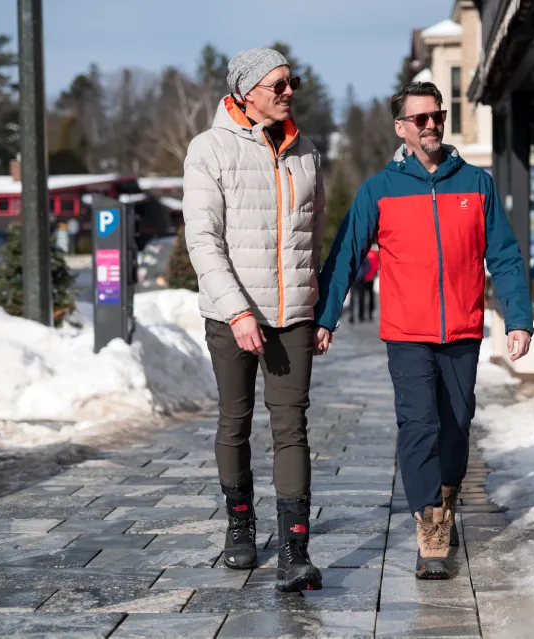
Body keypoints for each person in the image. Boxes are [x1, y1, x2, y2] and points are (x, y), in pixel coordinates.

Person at [314, 82, 533, 580]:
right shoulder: (379, 190)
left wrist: (518, 318)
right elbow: (345, 255)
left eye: (438, 115)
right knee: (419, 425)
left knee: (456, 424)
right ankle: (430, 526)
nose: (431, 124)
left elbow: (504, 255)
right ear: (401, 129)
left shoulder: (476, 184)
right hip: (406, 332)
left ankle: (447, 501)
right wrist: (325, 318)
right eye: (421, 119)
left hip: (461, 329)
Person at [182, 47, 325, 592]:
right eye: (277, 84)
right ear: (245, 91)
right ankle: (240, 523)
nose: (289, 91)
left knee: (292, 427)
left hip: (292, 317)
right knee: (234, 420)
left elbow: (312, 235)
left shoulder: (306, 151)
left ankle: (295, 548)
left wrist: (319, 307)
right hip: (231, 316)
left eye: (292, 81)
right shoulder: (209, 149)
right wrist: (238, 310)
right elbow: (203, 239)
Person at [349, 244, 379, 323]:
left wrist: (363, 274)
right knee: (353, 298)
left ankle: (363, 315)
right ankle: (352, 315)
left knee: (362, 297)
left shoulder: (366, 255)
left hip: (363, 279)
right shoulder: (352, 256)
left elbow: (370, 265)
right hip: (354, 279)